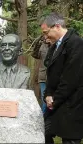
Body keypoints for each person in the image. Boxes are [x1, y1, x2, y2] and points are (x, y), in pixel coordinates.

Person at [40, 12, 83, 144]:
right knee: (43, 131)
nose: (45, 37)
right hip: (56, 101)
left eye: (47, 32)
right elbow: (52, 74)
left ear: (57, 26)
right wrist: (47, 95)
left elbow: (71, 78)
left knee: (70, 139)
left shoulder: (76, 43)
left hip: (72, 103)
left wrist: (55, 99)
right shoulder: (55, 45)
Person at [31, 36, 51, 114]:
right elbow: (35, 54)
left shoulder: (56, 45)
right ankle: (42, 120)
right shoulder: (42, 45)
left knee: (52, 100)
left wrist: (51, 44)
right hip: (43, 77)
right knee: (44, 101)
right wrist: (39, 40)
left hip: (54, 77)